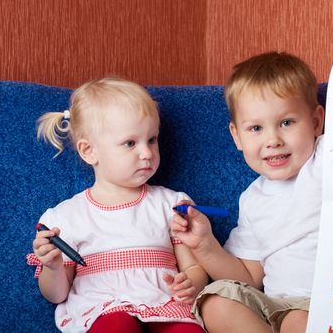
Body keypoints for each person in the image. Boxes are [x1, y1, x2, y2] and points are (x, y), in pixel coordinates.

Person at [170, 0, 333, 333]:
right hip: (273, 305)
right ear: (237, 136)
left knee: (298, 321)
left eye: (287, 123)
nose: (272, 139)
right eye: (256, 128)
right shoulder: (253, 199)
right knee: (215, 299)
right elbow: (248, 277)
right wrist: (204, 245)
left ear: (317, 122)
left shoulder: (328, 159)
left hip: (332, 304)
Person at [28, 78, 207, 333]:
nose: (146, 153)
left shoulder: (171, 204)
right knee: (117, 326)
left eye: (152, 140)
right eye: (130, 143)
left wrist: (191, 282)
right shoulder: (67, 217)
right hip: (104, 308)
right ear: (89, 151)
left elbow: (192, 266)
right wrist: (53, 266)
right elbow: (57, 295)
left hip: (165, 304)